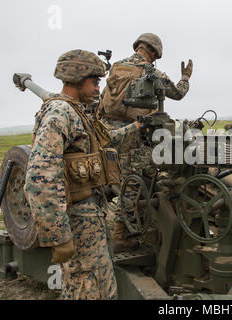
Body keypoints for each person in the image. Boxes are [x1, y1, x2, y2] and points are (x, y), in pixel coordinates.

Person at [24, 49, 140, 300]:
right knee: (83, 288)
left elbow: (106, 142)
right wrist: (59, 236)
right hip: (77, 222)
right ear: (77, 78)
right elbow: (39, 179)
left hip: (92, 220)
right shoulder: (59, 113)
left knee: (101, 285)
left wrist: (137, 127)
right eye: (95, 81)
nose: (99, 87)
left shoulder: (78, 113)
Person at [96, 33, 193, 252]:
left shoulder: (117, 67)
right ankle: (121, 237)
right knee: (134, 183)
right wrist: (186, 77)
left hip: (108, 132)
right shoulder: (152, 72)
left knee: (107, 180)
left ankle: (98, 226)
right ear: (154, 53)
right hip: (133, 133)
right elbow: (177, 94)